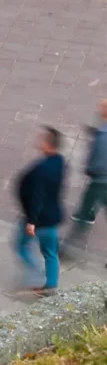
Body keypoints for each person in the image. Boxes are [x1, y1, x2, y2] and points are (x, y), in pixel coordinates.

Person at [13, 124, 67, 295]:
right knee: (50, 253)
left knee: (21, 246)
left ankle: (36, 275)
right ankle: (51, 284)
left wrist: (31, 221)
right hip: (53, 217)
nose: (39, 140)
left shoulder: (41, 169)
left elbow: (37, 197)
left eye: (42, 138)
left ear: (49, 144)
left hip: (38, 220)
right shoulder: (60, 162)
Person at [64, 98, 107, 257]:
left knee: (83, 214)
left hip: (100, 183)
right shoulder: (101, 132)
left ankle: (67, 249)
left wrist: (89, 169)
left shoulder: (102, 135)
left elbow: (98, 164)